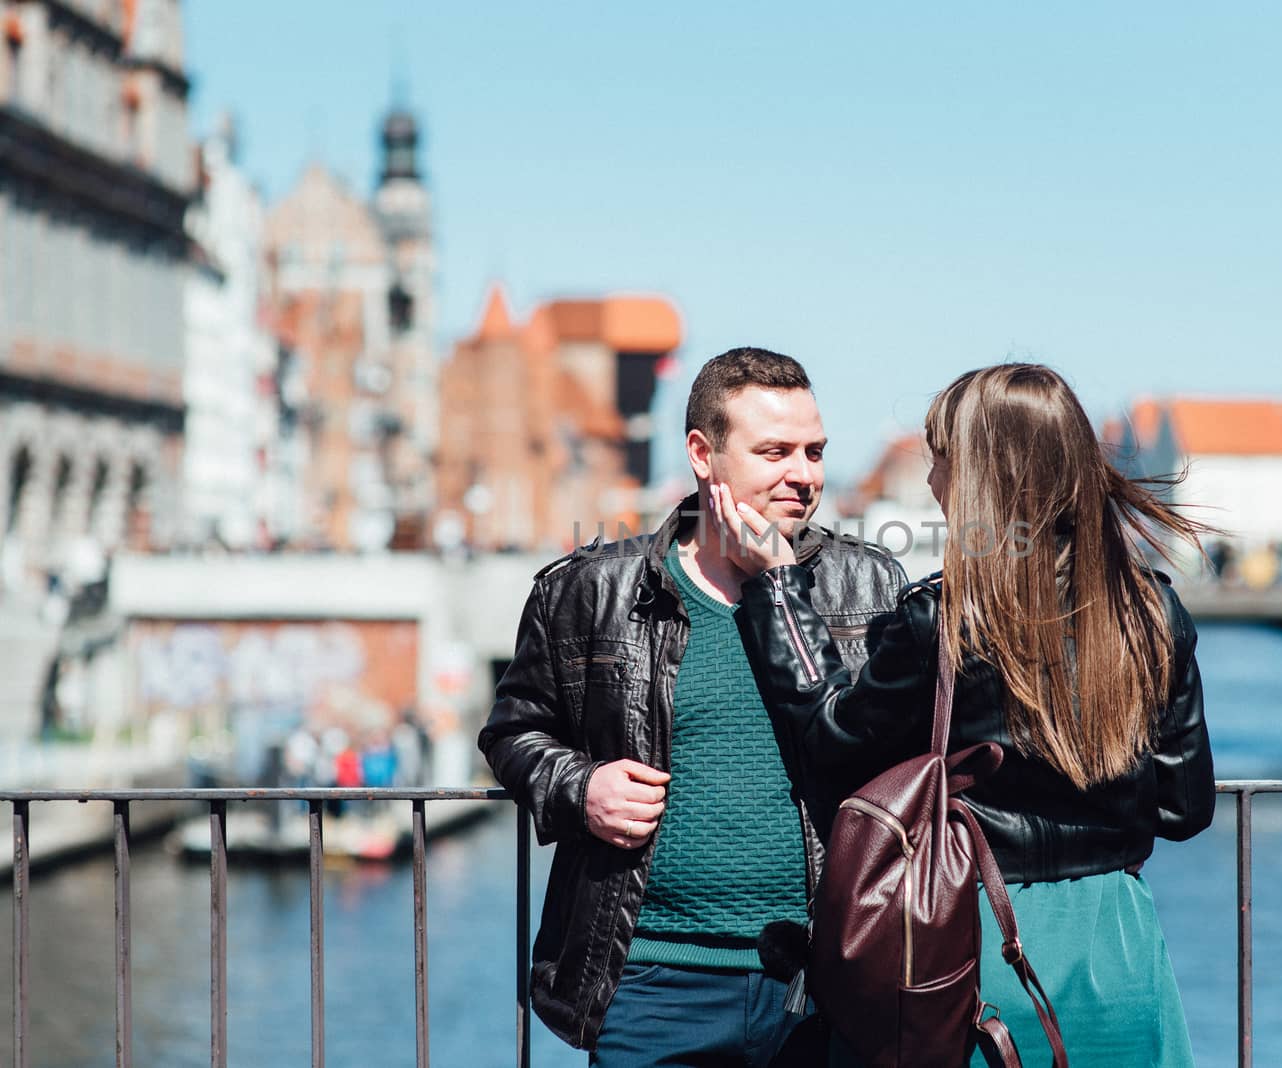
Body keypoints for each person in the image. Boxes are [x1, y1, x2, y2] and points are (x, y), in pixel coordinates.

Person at [711, 363, 1216, 1066]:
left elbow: (829, 744)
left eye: (942, 461)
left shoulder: (941, 617)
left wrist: (775, 587)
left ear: (986, 476)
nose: (932, 483)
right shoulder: (1152, 611)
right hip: (1118, 943)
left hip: (975, 936)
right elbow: (1185, 807)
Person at [479, 347, 906, 1065]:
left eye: (814, 451)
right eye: (774, 451)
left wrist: (780, 584)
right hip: (650, 983)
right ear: (703, 455)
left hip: (824, 983)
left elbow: (896, 757)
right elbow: (513, 730)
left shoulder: (865, 586)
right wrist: (581, 789)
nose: (803, 475)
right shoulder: (592, 591)